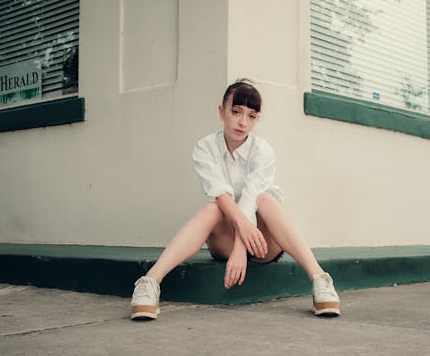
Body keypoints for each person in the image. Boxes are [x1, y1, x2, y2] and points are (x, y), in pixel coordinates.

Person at [130, 79, 340, 320]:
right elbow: (222, 195)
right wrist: (236, 247)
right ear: (222, 111)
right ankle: (149, 282)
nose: (243, 122)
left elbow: (250, 199)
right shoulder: (205, 148)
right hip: (226, 242)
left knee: (265, 199)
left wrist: (242, 249)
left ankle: (319, 279)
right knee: (214, 208)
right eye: (236, 111)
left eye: (252, 116)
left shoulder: (262, 151)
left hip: (262, 244)